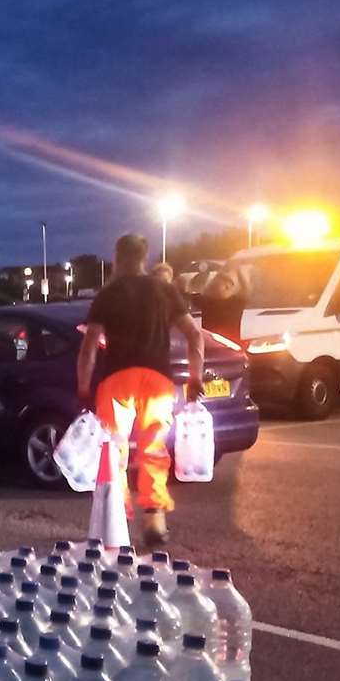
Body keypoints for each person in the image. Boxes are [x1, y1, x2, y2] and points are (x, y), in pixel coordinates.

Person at [76, 233, 204, 547]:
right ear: (144, 258)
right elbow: (194, 336)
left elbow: (90, 345)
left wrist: (83, 386)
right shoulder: (165, 291)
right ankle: (154, 520)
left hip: (117, 377)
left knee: (113, 450)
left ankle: (114, 520)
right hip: (158, 378)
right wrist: (195, 378)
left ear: (117, 258)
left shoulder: (108, 294)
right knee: (154, 447)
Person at [200, 263, 249, 345]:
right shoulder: (201, 303)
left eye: (229, 283)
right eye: (222, 280)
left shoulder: (238, 306)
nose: (227, 286)